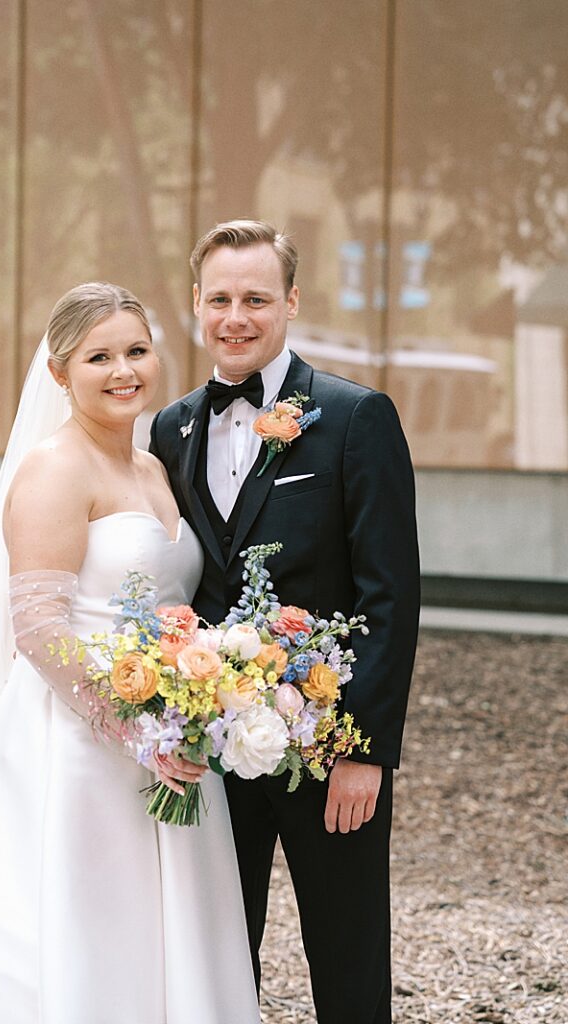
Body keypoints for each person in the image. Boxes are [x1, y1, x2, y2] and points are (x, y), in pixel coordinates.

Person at [0, 283, 260, 1024]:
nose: (124, 370)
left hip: (169, 738)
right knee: (83, 932)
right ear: (60, 374)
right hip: (79, 749)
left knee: (171, 934)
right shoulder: (54, 470)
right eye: (99, 357)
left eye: (136, 350)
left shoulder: (155, 468)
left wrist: (192, 702)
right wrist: (134, 728)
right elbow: (38, 628)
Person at [150, 220, 421, 1024]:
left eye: (257, 299)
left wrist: (364, 751)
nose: (238, 317)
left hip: (327, 750)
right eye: (221, 298)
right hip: (214, 753)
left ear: (291, 302)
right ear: (197, 303)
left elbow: (390, 595)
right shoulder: (172, 429)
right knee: (218, 961)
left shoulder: (354, 417)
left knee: (347, 957)